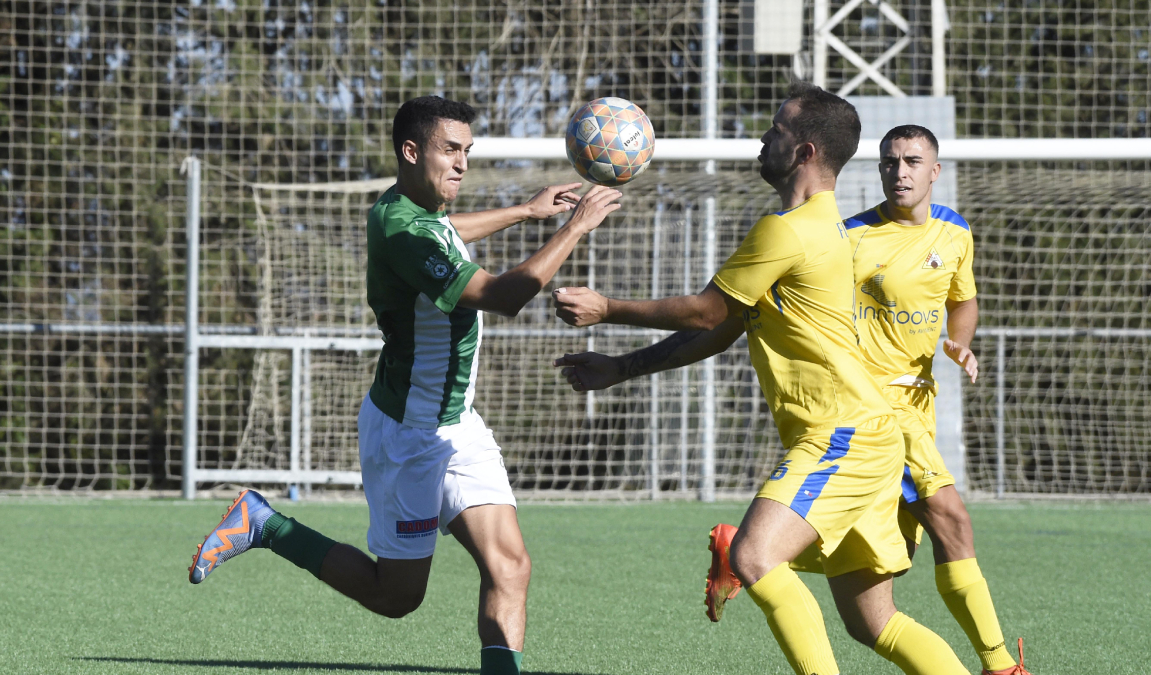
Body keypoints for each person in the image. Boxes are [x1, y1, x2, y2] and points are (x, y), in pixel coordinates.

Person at [187, 96, 622, 675]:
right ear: (411, 152)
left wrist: (525, 211)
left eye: (468, 151)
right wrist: (577, 226)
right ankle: (266, 524)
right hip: (408, 435)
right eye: (451, 149)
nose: (463, 163)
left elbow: (446, 230)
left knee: (510, 565)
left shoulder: (406, 212)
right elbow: (503, 296)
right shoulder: (405, 233)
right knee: (397, 597)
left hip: (457, 426)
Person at [551, 82, 967, 675]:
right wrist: (622, 367)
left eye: (775, 130)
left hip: (841, 434)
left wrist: (605, 306)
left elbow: (705, 312)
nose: (762, 139)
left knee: (752, 555)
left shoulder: (788, 230)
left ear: (804, 153)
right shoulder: (818, 226)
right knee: (873, 622)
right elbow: (721, 331)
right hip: (871, 437)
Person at [843, 124, 1030, 675]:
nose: (899, 171)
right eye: (889, 161)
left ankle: (746, 549)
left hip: (919, 406)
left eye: (911, 161)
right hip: (872, 408)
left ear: (934, 171)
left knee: (877, 583)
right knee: (952, 518)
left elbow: (963, 301)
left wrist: (960, 344)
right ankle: (1001, 667)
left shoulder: (954, 232)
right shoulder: (850, 237)